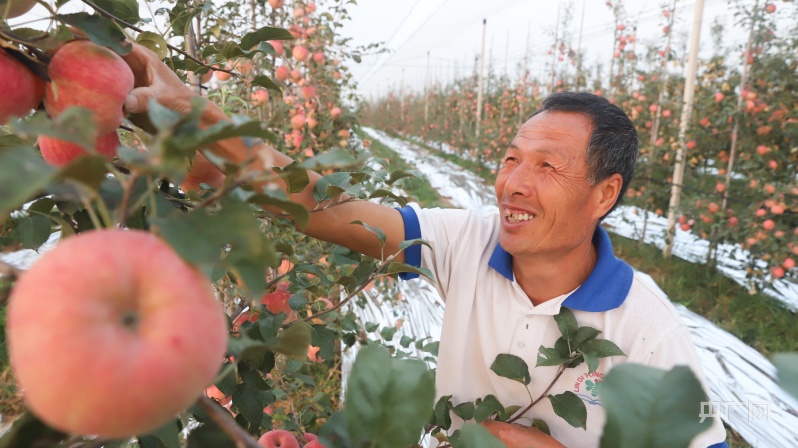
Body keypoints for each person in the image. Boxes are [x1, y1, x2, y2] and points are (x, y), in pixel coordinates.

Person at [121, 43, 728, 448]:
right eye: (511, 158)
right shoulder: (468, 240)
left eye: (547, 166)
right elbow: (321, 207)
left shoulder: (646, 328)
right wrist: (202, 119)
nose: (513, 182)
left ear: (604, 195)